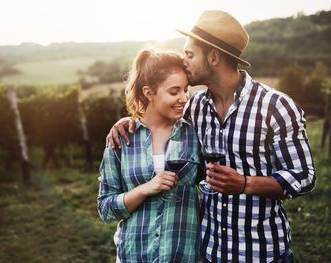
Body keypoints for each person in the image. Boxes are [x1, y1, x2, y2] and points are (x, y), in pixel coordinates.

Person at [106, 10, 316, 263]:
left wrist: (245, 184)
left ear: (214, 56)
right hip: (209, 252)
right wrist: (128, 121)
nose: (184, 61)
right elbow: (157, 119)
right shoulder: (194, 108)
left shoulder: (275, 106)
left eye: (190, 54)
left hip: (262, 252)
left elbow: (304, 176)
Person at [98, 48, 202, 262]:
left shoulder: (195, 134)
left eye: (186, 90)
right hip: (134, 256)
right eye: (174, 92)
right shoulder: (122, 139)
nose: (183, 98)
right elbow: (106, 209)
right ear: (149, 93)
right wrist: (145, 189)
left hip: (183, 256)